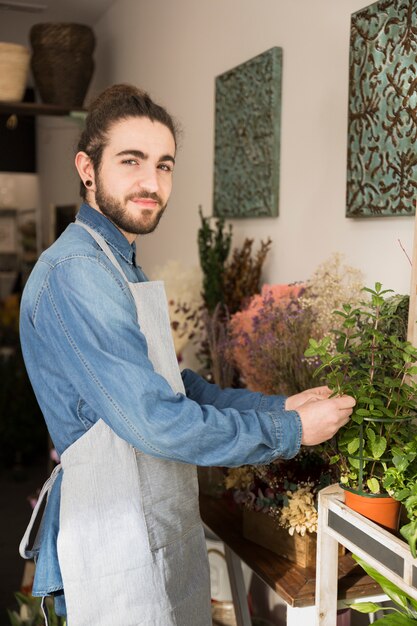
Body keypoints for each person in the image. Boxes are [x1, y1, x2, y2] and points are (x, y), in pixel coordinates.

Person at [19, 83, 355, 626]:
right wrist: (291, 432)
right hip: (118, 537)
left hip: (150, 520)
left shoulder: (118, 261)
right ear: (87, 167)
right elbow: (156, 420)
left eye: (165, 165)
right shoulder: (77, 272)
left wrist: (280, 406)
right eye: (132, 161)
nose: (152, 183)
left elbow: (179, 386)